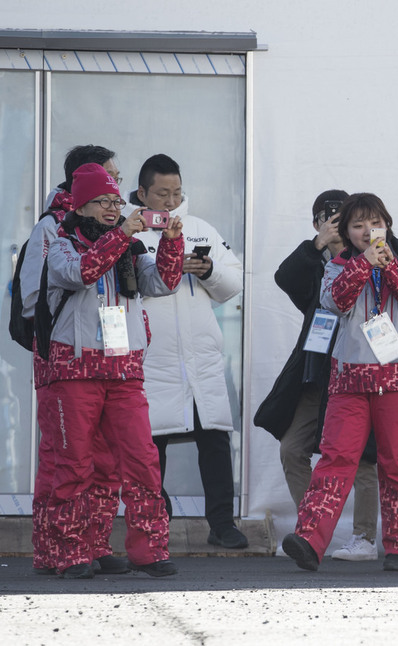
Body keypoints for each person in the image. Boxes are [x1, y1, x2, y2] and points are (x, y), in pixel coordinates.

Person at [282, 192, 398, 572]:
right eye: (358, 226)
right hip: (350, 379)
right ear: (347, 232)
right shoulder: (338, 266)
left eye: (376, 223)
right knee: (335, 459)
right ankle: (309, 539)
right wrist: (362, 266)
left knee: (396, 464)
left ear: (388, 223)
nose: (368, 232)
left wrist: (392, 270)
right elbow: (333, 302)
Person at [41, 163, 183, 578]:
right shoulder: (62, 242)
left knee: (142, 460)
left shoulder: (133, 248)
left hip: (125, 369)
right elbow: (81, 273)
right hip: (75, 369)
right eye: (102, 200)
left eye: (116, 201)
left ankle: (150, 549)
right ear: (81, 203)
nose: (111, 207)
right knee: (75, 465)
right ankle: (71, 551)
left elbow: (164, 284)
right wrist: (123, 234)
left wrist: (171, 245)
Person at [18, 145, 130, 576]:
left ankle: (94, 543)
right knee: (65, 460)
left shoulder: (116, 228)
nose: (115, 191)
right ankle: (57, 550)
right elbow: (33, 299)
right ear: (81, 182)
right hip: (65, 362)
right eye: (109, 180)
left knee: (106, 461)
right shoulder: (51, 230)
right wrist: (64, 338)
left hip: (108, 363)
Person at [130, 154, 248, 549]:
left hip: (201, 357)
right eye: (162, 193)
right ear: (142, 192)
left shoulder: (199, 229)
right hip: (153, 356)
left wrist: (209, 269)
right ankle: (155, 522)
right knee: (153, 443)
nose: (170, 200)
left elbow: (233, 284)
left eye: (177, 191)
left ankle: (222, 524)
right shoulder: (128, 232)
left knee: (214, 439)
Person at [260, 189, 380, 561]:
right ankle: (307, 533)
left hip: (358, 370)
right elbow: (285, 279)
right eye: (325, 218)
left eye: (341, 218)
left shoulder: (370, 253)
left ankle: (364, 538)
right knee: (291, 448)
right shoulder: (314, 262)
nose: (334, 224)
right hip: (316, 373)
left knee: (363, 458)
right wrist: (317, 245)